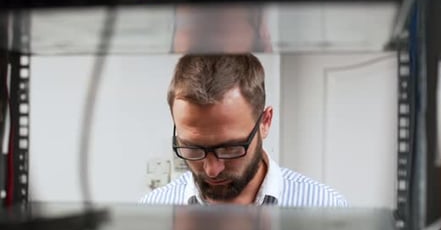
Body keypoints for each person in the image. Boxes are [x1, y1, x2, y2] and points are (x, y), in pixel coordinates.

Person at [141, 54, 347, 207]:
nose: (212, 169)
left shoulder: (326, 207)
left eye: (230, 148)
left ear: (265, 122)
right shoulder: (153, 211)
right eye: (193, 148)